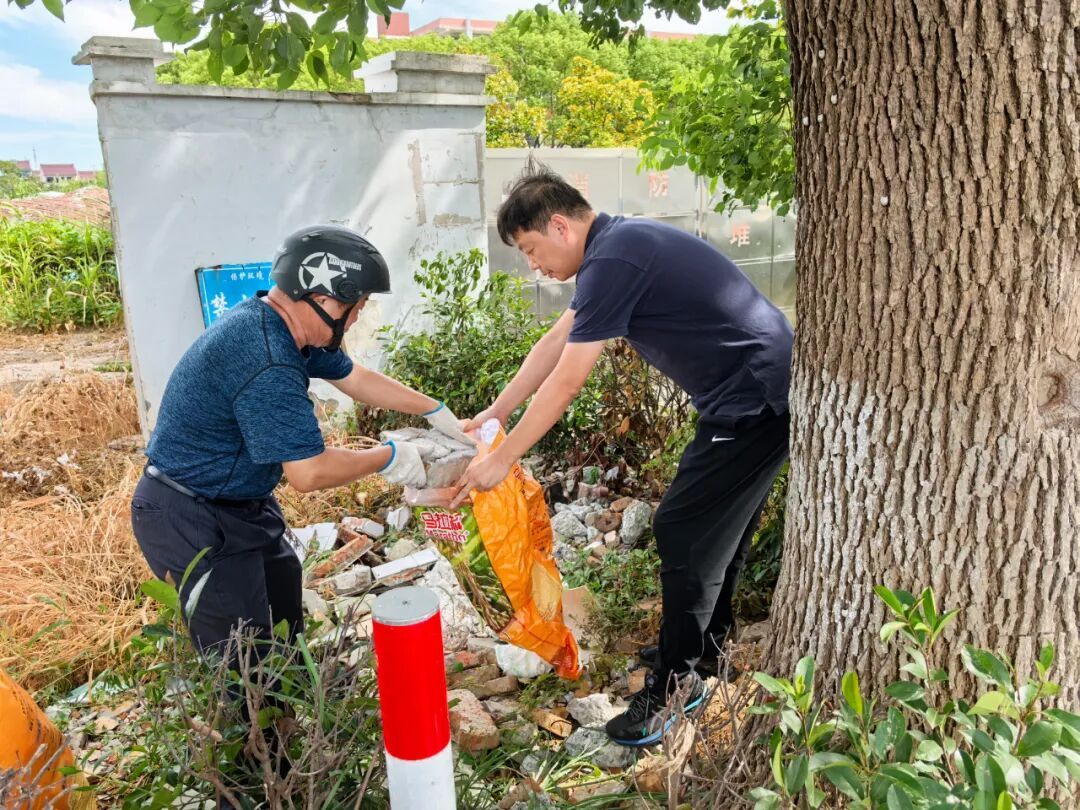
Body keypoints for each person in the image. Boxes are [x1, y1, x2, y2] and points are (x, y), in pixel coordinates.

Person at [452, 167, 793, 747]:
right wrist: (495, 412)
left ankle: (676, 687)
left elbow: (567, 381)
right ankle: (706, 651)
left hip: (754, 397)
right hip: (750, 392)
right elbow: (553, 344)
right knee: (716, 533)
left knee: (684, 530)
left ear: (560, 226)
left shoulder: (614, 257)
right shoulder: (616, 248)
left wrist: (503, 458)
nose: (534, 265)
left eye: (531, 249)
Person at [131, 224, 470, 657]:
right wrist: (390, 457)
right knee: (245, 658)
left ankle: (295, 698)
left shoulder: (282, 327)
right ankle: (261, 704)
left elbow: (355, 377)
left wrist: (434, 410)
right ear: (325, 298)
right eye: (358, 306)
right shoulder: (267, 356)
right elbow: (308, 472)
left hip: (242, 504)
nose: (358, 317)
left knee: (284, 620)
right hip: (190, 514)